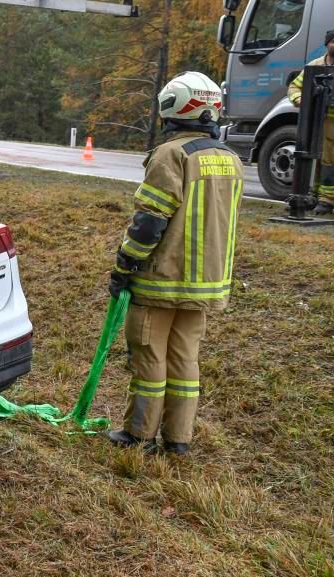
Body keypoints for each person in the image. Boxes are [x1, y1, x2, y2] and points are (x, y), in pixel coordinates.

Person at [106, 71, 244, 456]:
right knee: (185, 360)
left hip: (161, 282)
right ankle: (178, 440)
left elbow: (150, 221)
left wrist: (124, 265)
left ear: (172, 108)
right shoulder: (229, 159)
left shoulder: (171, 154)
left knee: (149, 356)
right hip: (207, 283)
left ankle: (139, 435)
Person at [288, 28, 334, 215]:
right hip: (318, 121)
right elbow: (295, 86)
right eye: (333, 41)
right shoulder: (315, 66)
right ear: (327, 44)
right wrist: (300, 100)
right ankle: (315, 197)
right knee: (319, 160)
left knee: (330, 161)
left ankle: (327, 200)